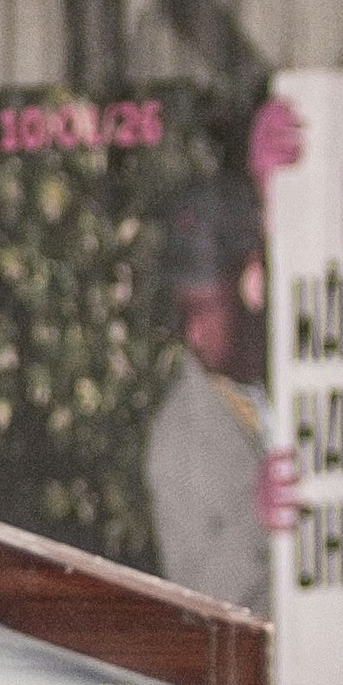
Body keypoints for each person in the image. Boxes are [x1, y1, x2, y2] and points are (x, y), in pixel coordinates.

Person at [140, 183, 273, 611]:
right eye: (185, 311)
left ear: (252, 284)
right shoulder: (176, 439)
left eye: (206, 308)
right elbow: (192, 606)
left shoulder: (306, 370)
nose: (193, 333)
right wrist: (258, 517)